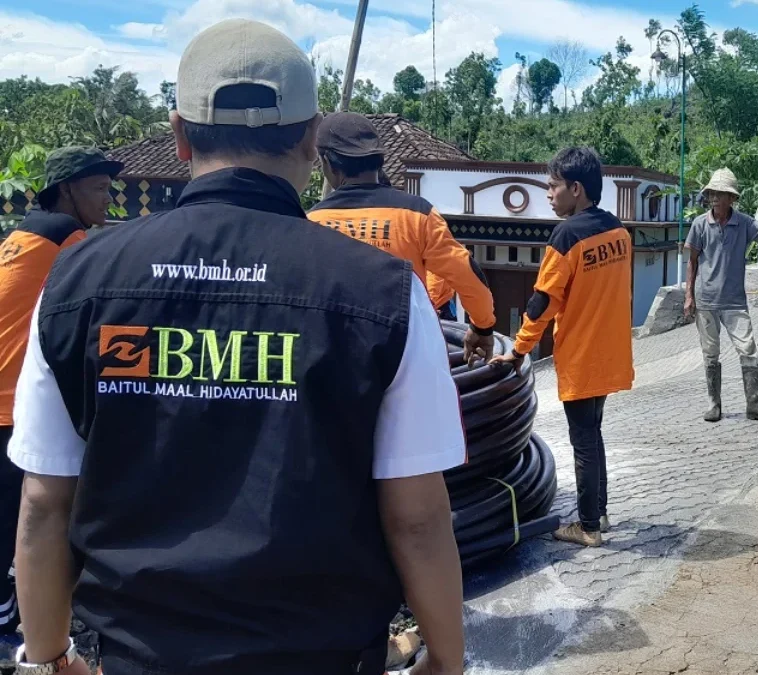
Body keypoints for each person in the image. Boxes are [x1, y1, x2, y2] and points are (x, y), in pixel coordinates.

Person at [8, 19, 464, 675]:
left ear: (180, 136)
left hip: (136, 656)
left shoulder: (77, 281)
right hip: (323, 655)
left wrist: (47, 655)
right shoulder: (384, 292)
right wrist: (446, 658)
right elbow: (418, 518)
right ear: (311, 139)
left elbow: (45, 503)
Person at [0, 147, 122, 642]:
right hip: (9, 397)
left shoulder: (24, 235)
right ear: (67, 190)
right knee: (26, 509)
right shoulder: (66, 239)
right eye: (98, 188)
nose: (108, 198)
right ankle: (14, 622)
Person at [490, 147, 633, 548]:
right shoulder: (618, 231)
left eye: (553, 187)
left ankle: (587, 527)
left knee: (584, 440)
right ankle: (599, 511)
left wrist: (517, 351)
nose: (548, 194)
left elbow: (541, 301)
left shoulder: (567, 236)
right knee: (594, 432)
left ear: (576, 188)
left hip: (582, 356)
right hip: (610, 352)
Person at [308, 112, 496, 363]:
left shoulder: (310, 222)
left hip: (334, 360)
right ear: (378, 160)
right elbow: (467, 274)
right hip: (406, 358)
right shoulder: (417, 215)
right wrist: (482, 328)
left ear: (327, 162)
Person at [683, 168, 758, 424]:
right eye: (713, 194)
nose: (715, 198)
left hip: (734, 301)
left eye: (721, 194)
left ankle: (755, 405)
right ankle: (714, 405)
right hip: (706, 299)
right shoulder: (699, 225)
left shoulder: (744, 222)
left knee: (748, 349)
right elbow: (692, 262)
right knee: (710, 353)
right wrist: (689, 296)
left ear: (732, 199)